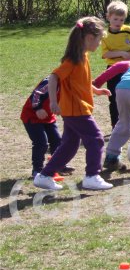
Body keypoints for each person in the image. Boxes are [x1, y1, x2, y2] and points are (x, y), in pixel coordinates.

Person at [34, 17, 113, 191]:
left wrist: (96, 90)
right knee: (96, 139)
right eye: (99, 39)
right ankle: (92, 175)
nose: (99, 44)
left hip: (75, 109)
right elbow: (54, 77)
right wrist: (53, 101)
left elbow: (80, 82)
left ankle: (45, 176)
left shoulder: (82, 56)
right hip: (76, 109)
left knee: (70, 145)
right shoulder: (72, 60)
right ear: (90, 38)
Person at [101, 0, 130, 134]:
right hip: (113, 69)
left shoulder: (129, 30)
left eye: (122, 19)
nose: (119, 22)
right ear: (108, 17)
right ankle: (116, 126)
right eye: (115, 19)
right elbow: (104, 54)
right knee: (114, 98)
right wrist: (120, 53)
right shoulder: (104, 34)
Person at [21, 77, 75, 178]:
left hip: (48, 117)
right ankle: (37, 170)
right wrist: (38, 108)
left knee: (57, 140)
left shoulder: (71, 83)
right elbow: (36, 94)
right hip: (32, 117)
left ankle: (58, 166)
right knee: (41, 143)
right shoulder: (51, 81)